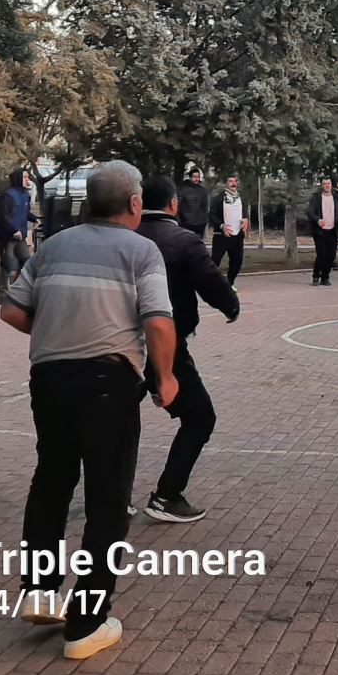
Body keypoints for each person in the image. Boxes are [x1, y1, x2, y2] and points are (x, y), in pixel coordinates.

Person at [1, 161, 176, 661]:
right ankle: (87, 622)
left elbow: (12, 310)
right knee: (107, 498)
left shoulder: (54, 246)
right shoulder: (141, 251)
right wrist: (165, 377)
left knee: (52, 481)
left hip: (49, 379)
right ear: (135, 203)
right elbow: (158, 322)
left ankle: (39, 591)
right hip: (107, 383)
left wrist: (57, 329)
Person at [135, 176, 239, 521]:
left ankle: (111, 495)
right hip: (166, 343)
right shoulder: (182, 240)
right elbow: (211, 282)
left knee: (118, 419)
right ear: (174, 204)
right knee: (200, 417)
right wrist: (230, 306)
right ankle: (167, 496)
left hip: (121, 343)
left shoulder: (124, 238)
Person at [0, 168, 34, 300]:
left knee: (26, 260)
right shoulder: (8, 195)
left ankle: (17, 289)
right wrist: (13, 229)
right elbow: (2, 216)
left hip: (20, 236)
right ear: (18, 179)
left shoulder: (25, 195)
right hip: (7, 237)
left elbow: (25, 212)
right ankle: (2, 293)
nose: (28, 180)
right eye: (25, 177)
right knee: (7, 264)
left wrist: (35, 219)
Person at [208, 174, 249, 288]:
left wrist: (246, 220)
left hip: (237, 236)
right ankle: (211, 284)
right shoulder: (219, 199)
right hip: (222, 235)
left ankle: (229, 283)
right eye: (230, 181)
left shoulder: (241, 199)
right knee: (215, 261)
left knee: (237, 262)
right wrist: (222, 226)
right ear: (226, 184)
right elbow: (212, 215)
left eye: (235, 181)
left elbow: (245, 213)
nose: (233, 183)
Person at [307, 178, 338, 286]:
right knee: (321, 253)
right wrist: (317, 220)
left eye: (328, 183)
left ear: (331, 185)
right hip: (320, 231)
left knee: (331, 255)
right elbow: (310, 212)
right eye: (324, 184)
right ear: (322, 185)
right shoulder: (316, 198)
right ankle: (316, 276)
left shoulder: (337, 198)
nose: (327, 186)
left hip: (333, 230)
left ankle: (325, 277)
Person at [176, 168, 210, 240]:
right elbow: (177, 205)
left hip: (200, 224)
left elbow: (205, 206)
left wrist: (205, 220)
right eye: (194, 177)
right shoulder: (182, 189)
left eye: (198, 177)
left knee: (198, 243)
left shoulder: (202, 190)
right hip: (186, 224)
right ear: (190, 177)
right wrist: (179, 222)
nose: (196, 179)